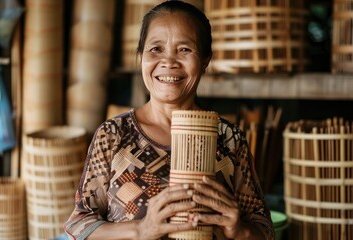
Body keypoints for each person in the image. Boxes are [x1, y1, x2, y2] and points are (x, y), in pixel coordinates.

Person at [64, 1, 274, 239]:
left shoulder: (228, 139)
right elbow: (80, 224)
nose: (169, 61)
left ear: (205, 60)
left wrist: (240, 230)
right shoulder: (114, 134)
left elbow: (265, 230)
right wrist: (140, 229)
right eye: (156, 49)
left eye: (185, 49)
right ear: (140, 56)